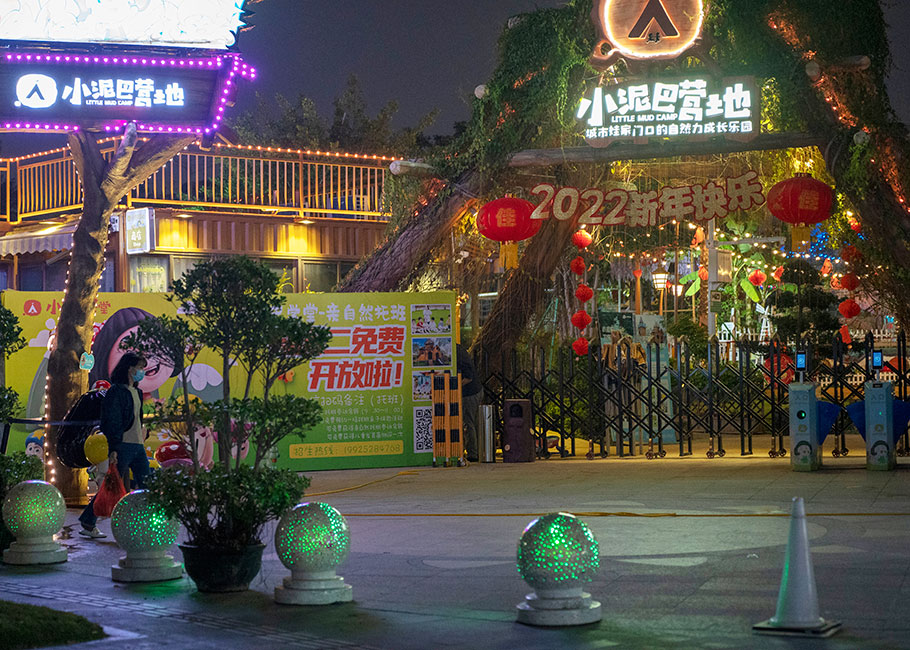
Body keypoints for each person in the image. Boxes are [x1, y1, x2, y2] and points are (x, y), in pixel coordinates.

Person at [78, 352, 151, 539]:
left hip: (137, 445)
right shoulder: (116, 392)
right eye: (140, 368)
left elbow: (136, 419)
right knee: (111, 485)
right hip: (123, 445)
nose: (142, 372)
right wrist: (114, 448)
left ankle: (148, 521)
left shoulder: (137, 392)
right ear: (130, 369)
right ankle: (88, 521)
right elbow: (111, 421)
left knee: (147, 482)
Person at [457, 344, 481, 462]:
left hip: (469, 392)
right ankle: (476, 451)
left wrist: (455, 386)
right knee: (472, 422)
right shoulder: (459, 349)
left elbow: (468, 377)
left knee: (468, 422)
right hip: (475, 390)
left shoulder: (457, 352)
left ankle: (473, 454)